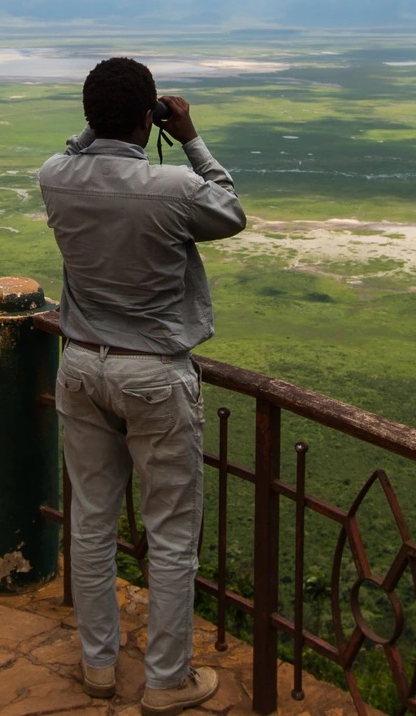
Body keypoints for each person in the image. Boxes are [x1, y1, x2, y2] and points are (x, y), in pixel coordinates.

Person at [38, 57, 247, 715]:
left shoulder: (56, 177)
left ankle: (99, 666)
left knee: (92, 524)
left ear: (89, 115)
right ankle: (166, 679)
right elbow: (231, 210)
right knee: (172, 532)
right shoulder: (173, 188)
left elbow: (79, 149)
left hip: (81, 364)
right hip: (154, 372)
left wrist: (100, 129)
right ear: (147, 116)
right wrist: (188, 134)